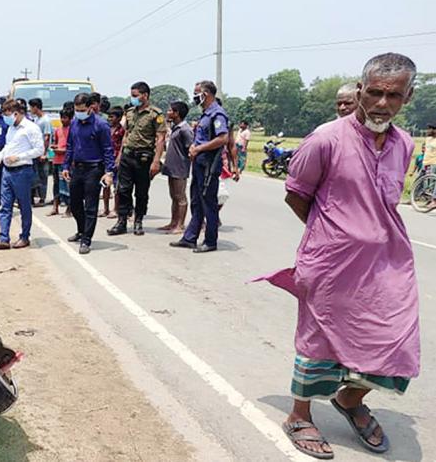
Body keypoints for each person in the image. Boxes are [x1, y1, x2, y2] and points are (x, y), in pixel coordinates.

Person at [256, 53, 420, 460]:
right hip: (330, 261)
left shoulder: (405, 144)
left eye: (394, 95)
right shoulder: (327, 138)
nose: (383, 103)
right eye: (376, 93)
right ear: (361, 90)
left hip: (388, 262)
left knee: (398, 341)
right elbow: (296, 193)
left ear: (408, 97)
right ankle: (298, 415)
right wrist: (332, 233)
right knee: (319, 340)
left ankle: (349, 399)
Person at [170, 80, 232, 253]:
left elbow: (223, 139)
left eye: (197, 93)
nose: (195, 96)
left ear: (206, 94)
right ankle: (190, 238)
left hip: (209, 165)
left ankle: (210, 241)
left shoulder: (217, 114)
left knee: (208, 202)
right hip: (199, 163)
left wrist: (199, 148)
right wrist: (194, 148)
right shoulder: (205, 114)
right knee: (196, 202)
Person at [108, 81, 167, 236]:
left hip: (144, 157)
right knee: (123, 189)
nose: (132, 98)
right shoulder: (129, 112)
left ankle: (138, 221)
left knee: (141, 192)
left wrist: (156, 161)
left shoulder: (156, 114)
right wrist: (120, 155)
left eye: (135, 95)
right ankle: (121, 221)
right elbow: (127, 134)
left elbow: (161, 138)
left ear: (145, 95)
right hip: (128, 155)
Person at [0, 99, 44, 250]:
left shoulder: (31, 128)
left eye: (7, 114)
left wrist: (19, 157)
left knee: (24, 205)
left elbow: (39, 150)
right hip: (7, 171)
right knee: (5, 206)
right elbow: (8, 146)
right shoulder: (11, 128)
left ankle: (24, 237)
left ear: (16, 113)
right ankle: (3, 238)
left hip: (22, 170)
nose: (6, 118)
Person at [62, 93, 115, 255]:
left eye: (82, 109)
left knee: (91, 206)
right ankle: (81, 230)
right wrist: (65, 166)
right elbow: (70, 145)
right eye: (77, 110)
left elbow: (108, 150)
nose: (79, 112)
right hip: (77, 168)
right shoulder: (74, 123)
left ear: (90, 107)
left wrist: (109, 172)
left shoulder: (101, 124)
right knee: (75, 204)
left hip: (94, 169)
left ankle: (86, 239)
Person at [159, 101, 193, 234]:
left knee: (180, 197)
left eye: (169, 110)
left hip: (180, 168)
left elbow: (191, 149)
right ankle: (173, 222)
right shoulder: (175, 128)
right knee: (173, 196)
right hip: (171, 167)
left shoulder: (185, 130)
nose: (167, 112)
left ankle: (180, 225)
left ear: (176, 113)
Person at [101, 106, 125, 218]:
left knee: (117, 186)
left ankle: (115, 209)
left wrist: (119, 158)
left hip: (116, 160)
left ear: (119, 118)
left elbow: (123, 146)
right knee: (105, 185)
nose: (110, 119)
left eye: (112, 117)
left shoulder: (122, 131)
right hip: (106, 160)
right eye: (109, 116)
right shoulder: (105, 129)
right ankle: (105, 208)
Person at [29, 98, 53, 206]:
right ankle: (37, 197)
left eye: (31, 107)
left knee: (43, 176)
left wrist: (43, 153)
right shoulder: (37, 120)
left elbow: (47, 137)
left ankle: (42, 199)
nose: (30, 110)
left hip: (43, 154)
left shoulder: (45, 120)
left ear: (35, 107)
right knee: (36, 175)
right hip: (36, 153)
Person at [49, 109, 73, 217]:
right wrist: (54, 147)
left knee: (68, 185)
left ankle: (69, 208)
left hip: (66, 161)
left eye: (65, 118)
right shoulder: (58, 130)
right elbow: (56, 143)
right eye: (61, 118)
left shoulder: (73, 130)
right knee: (56, 184)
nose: (63, 120)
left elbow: (72, 147)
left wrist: (62, 151)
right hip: (56, 160)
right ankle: (55, 207)